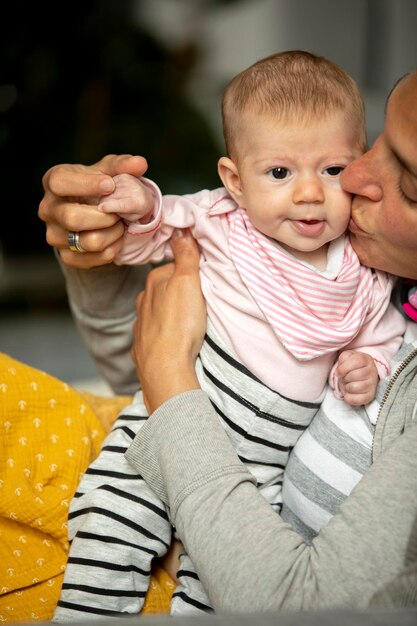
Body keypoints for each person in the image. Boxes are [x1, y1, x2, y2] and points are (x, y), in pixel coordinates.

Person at [37, 66, 417, 612]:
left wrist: (369, 363)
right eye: (281, 171)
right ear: (236, 181)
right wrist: (115, 210)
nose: (320, 190)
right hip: (156, 425)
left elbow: (377, 334)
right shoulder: (225, 219)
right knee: (109, 521)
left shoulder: (368, 276)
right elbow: (160, 219)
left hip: (258, 472)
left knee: (208, 595)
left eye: (334, 167)